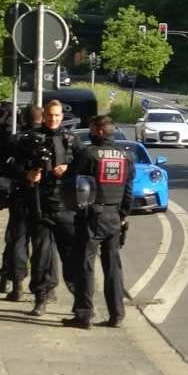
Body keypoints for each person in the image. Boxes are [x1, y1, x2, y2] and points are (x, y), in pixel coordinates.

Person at [66, 115, 134, 329]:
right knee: (113, 266)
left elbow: (73, 181)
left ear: (99, 131)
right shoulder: (126, 157)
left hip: (92, 215)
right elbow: (129, 190)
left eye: (93, 128)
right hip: (114, 215)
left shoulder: (89, 154)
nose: (91, 132)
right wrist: (123, 215)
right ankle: (117, 314)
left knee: (85, 265)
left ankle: (84, 315)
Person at [25, 99, 83, 318]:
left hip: (66, 205)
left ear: (62, 117)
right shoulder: (31, 139)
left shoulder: (72, 140)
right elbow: (8, 164)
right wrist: (27, 174)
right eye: (50, 115)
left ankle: (80, 301)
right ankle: (41, 298)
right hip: (40, 204)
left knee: (71, 256)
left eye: (57, 116)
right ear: (44, 116)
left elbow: (87, 166)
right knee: (41, 255)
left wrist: (69, 168)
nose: (53, 119)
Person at [0, 104, 43, 301]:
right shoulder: (50, 139)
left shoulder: (15, 141)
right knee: (44, 244)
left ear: (23, 120)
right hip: (44, 198)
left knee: (18, 241)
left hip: (20, 195)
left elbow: (0, 166)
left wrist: (20, 176)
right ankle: (45, 290)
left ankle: (17, 285)